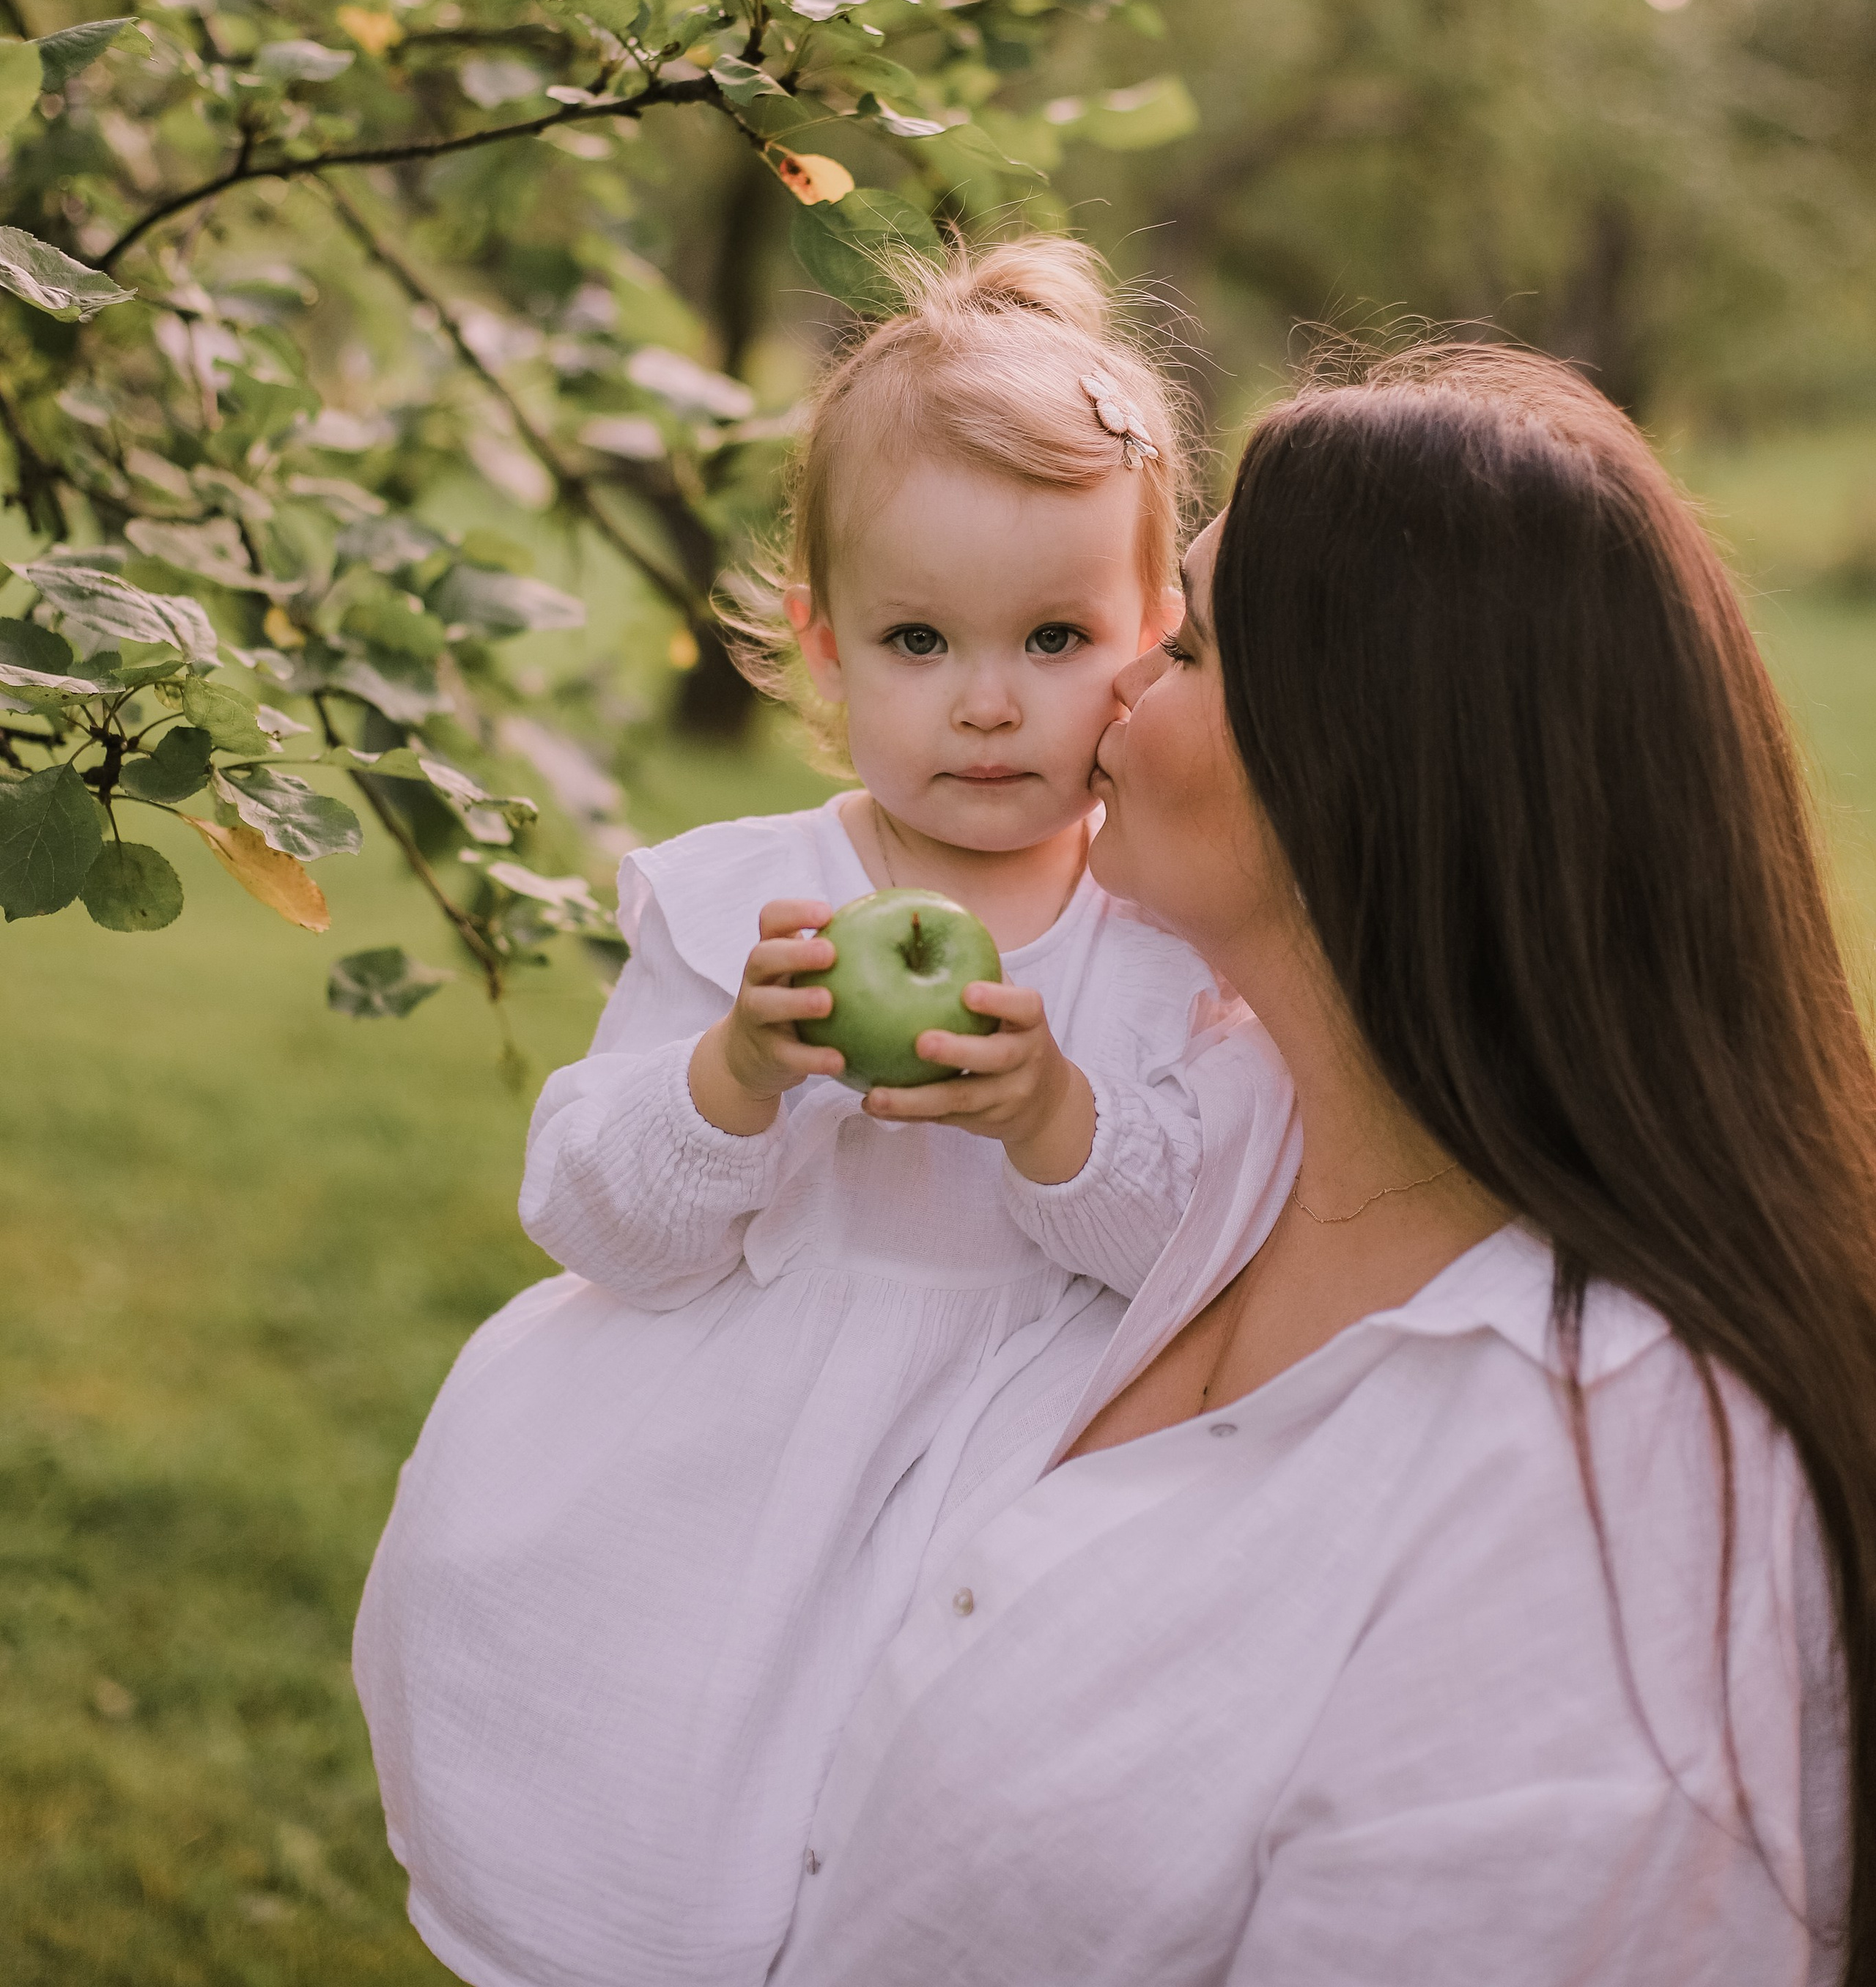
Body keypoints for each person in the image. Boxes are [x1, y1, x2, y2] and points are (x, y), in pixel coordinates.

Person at [773, 341, 1872, 1987]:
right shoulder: (1198, 1133)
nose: (1110, 691)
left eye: (1186, 644)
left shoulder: (1604, 1499)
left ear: (1366, 763)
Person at [351, 238, 1294, 1987]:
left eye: (1056, 637)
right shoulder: (746, 907)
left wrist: (1048, 1116)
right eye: (919, 639)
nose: (989, 698)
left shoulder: (1160, 941)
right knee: (660, 1813)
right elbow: (593, 1217)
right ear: (818, 638)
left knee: (893, 1845)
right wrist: (730, 1078)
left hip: (981, 1485)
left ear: (1151, 638)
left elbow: (1190, 1241)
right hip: (714, 1461)